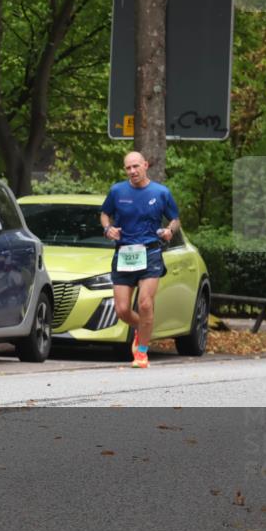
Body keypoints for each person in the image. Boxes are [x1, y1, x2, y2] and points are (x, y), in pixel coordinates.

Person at [100, 151, 180, 368]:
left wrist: (169, 231)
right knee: (122, 310)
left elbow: (174, 219)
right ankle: (143, 329)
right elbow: (104, 214)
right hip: (125, 253)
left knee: (145, 304)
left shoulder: (161, 192)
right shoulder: (117, 191)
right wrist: (108, 229)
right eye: (128, 168)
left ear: (145, 165)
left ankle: (142, 353)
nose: (133, 171)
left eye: (136, 166)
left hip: (151, 252)